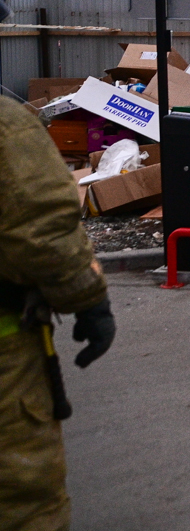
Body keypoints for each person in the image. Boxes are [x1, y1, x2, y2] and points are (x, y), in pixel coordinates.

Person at [1, 96, 116, 530]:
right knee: (22, 500)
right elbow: (43, 229)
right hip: (7, 358)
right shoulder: (6, 126)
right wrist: (88, 300)